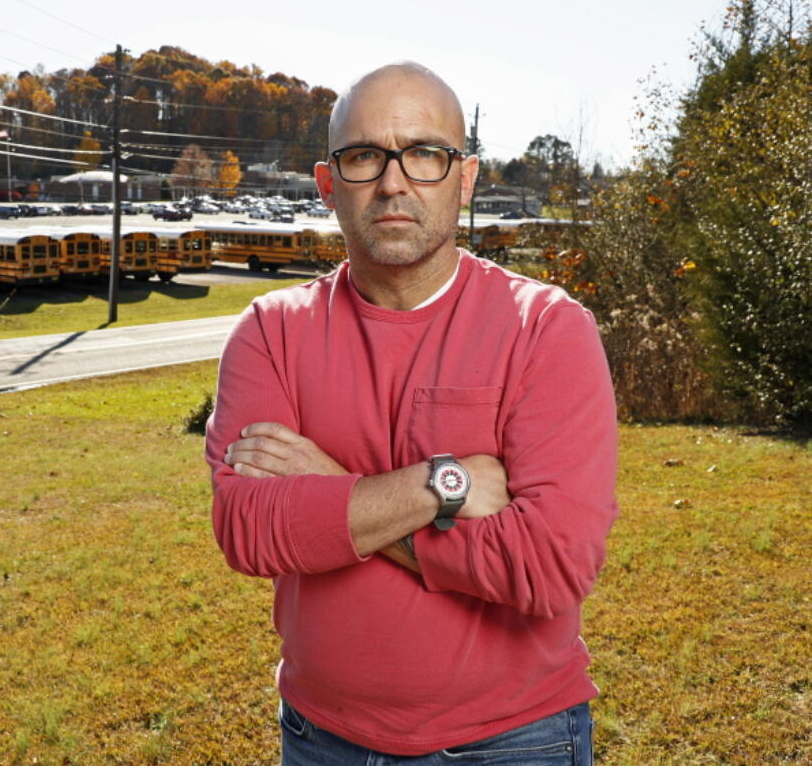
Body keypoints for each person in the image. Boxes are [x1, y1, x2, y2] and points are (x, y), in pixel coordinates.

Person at [205, 61, 617, 765]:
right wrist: (440, 484)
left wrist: (330, 489)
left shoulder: (545, 328)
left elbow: (549, 565)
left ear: (466, 177)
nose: (393, 181)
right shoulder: (270, 331)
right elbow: (248, 529)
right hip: (322, 738)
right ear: (328, 182)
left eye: (424, 152)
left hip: (517, 739)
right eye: (364, 155)